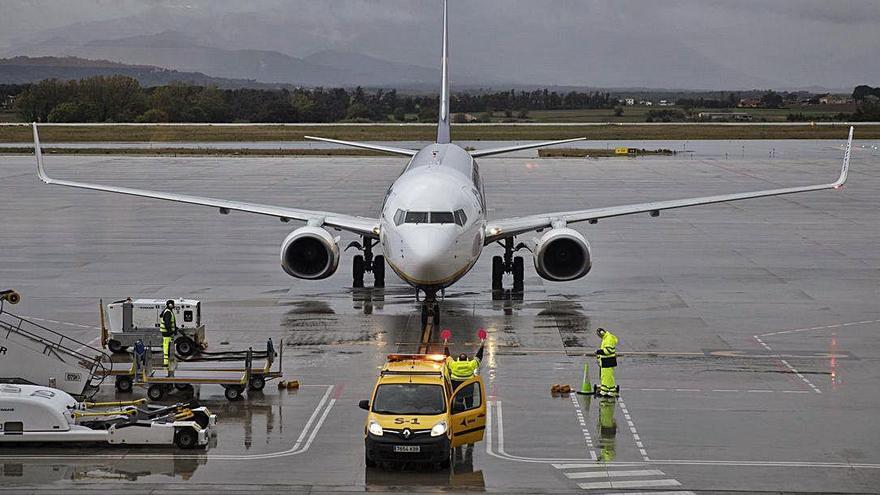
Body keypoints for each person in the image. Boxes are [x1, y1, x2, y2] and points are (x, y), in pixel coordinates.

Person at [595, 327, 619, 397]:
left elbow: (609, 350)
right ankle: (604, 391)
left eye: (598, 335)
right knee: (604, 377)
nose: (598, 336)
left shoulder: (608, 339)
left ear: (602, 333)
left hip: (608, 361)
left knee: (609, 377)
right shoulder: (605, 338)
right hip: (605, 361)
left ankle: (612, 391)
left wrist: (598, 351)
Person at [159, 300, 177, 368]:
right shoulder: (168, 312)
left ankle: (167, 361)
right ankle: (166, 362)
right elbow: (167, 323)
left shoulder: (167, 311)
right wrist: (171, 331)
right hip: (167, 333)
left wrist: (175, 328)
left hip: (167, 333)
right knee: (166, 347)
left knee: (167, 346)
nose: (174, 305)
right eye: (173, 304)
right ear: (170, 305)